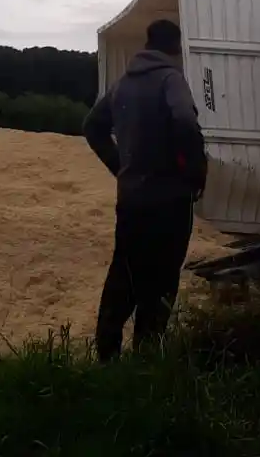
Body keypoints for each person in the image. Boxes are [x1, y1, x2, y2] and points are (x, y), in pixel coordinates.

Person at [83, 19, 207, 362]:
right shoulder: (171, 78)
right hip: (169, 201)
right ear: (176, 47)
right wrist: (195, 173)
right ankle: (148, 359)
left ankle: (107, 356)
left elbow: (92, 126)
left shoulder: (122, 84)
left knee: (124, 273)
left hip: (132, 200)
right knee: (163, 278)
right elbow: (184, 120)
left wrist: (120, 167)